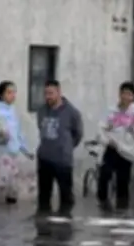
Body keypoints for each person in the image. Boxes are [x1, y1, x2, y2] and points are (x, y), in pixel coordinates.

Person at [35, 80, 83, 217]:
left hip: (63, 160)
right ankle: (44, 229)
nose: (48, 97)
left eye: (51, 93)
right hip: (44, 158)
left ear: (59, 92)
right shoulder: (42, 110)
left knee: (66, 196)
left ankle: (65, 225)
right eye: (46, 94)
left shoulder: (72, 112)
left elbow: (78, 134)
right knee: (43, 197)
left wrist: (66, 146)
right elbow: (41, 128)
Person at [96, 81, 134, 210]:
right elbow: (101, 127)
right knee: (104, 174)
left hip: (127, 151)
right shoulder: (111, 110)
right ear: (119, 94)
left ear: (133, 97)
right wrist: (106, 140)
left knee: (123, 181)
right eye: (123, 93)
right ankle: (103, 203)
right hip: (112, 147)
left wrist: (133, 130)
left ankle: (122, 207)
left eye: (129, 94)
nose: (125, 97)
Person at [0, 81, 34, 204]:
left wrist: (26, 150)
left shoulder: (13, 110)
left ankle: (11, 217)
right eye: (9, 92)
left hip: (14, 154)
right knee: (0, 187)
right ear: (1, 94)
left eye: (14, 92)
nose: (13, 95)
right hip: (0, 154)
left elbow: (18, 133)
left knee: (13, 188)